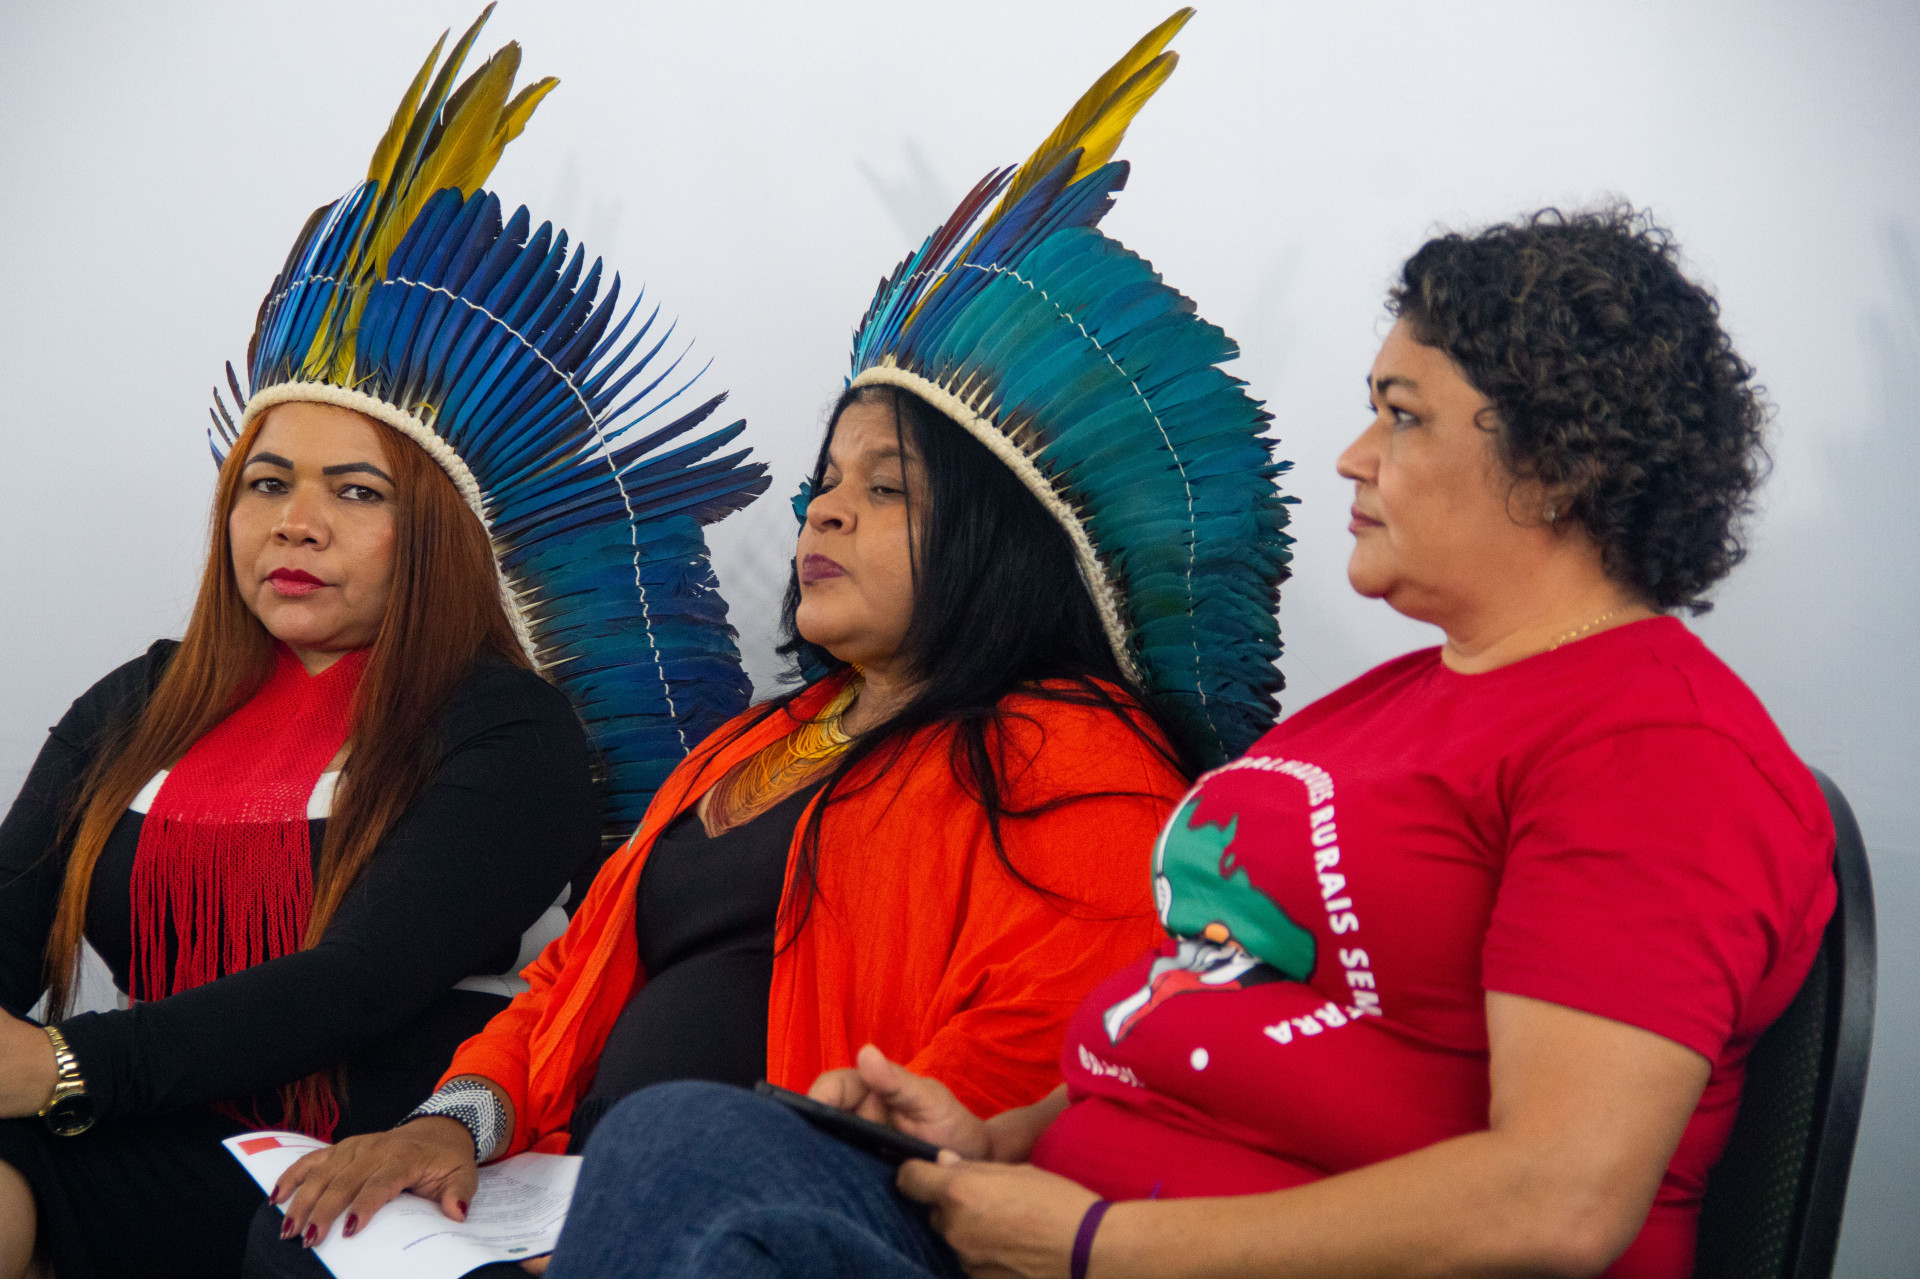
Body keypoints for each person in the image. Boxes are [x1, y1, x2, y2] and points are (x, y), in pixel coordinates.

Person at [538, 203, 1838, 1279]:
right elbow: (1206, 1008)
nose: (1352, 456)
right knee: (690, 1148)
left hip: (1132, 1253)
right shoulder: (1377, 711)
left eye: (1402, 414)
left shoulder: (1656, 748)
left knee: (678, 1153)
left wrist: (1095, 1241)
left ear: (1559, 463)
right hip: (1065, 1222)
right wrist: (997, 1138)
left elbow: (1557, 1200)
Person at [248, 8, 1294, 1270]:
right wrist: (452, 1124)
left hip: (813, 1207)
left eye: (885, 487)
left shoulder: (1080, 750)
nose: (825, 511)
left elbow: (1043, 1038)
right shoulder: (753, 742)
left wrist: (665, 1198)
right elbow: (568, 982)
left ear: (999, 540)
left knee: (677, 1136)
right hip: (584, 1192)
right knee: (307, 1229)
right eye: (825, 481)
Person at [0, 11, 767, 1278]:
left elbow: (352, 983)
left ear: (439, 537)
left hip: (382, 1171)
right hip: (154, 1123)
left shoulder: (508, 728)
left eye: (356, 492)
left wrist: (63, 1066)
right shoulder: (134, 705)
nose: (294, 523)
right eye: (266, 483)